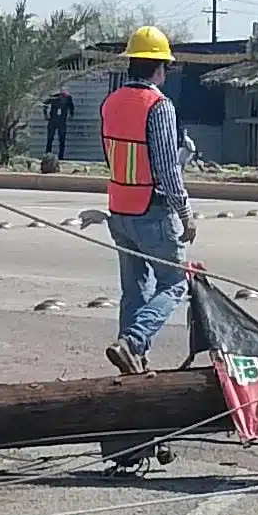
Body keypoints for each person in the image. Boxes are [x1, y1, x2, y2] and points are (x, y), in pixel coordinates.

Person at [99, 26, 196, 376]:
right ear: (158, 67)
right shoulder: (159, 105)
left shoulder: (110, 103)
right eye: (166, 66)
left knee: (135, 289)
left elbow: (117, 155)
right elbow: (167, 168)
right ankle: (134, 341)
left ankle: (132, 361)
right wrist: (186, 213)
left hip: (119, 207)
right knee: (175, 282)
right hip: (152, 210)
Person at [42, 86, 75, 159]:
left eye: (65, 90)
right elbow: (45, 104)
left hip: (62, 121)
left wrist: (71, 115)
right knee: (50, 138)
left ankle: (61, 156)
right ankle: (47, 155)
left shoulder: (68, 98)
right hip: (53, 120)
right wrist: (46, 115)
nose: (64, 92)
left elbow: (71, 107)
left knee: (62, 139)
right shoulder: (54, 97)